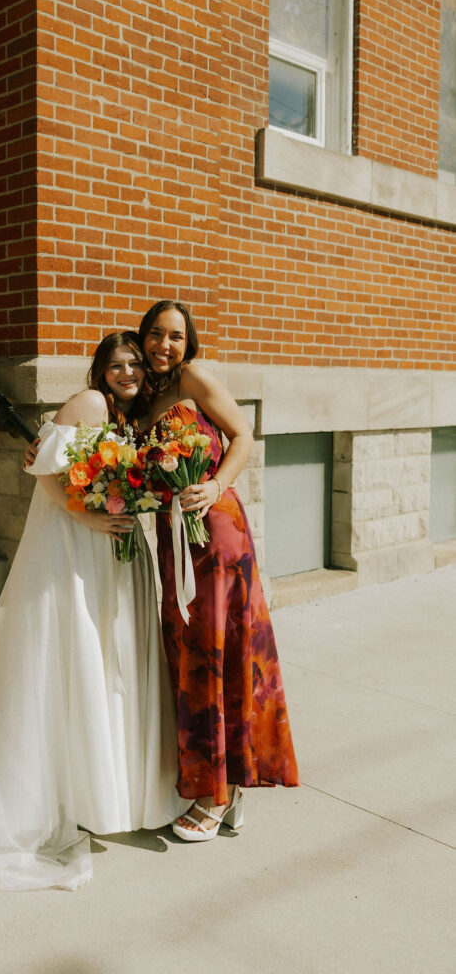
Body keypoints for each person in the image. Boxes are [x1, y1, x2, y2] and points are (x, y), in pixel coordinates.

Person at [0, 331, 183, 890]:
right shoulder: (91, 404)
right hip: (79, 542)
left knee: (110, 658)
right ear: (100, 371)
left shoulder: (136, 413)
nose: (127, 372)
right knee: (76, 649)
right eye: (116, 365)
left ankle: (106, 783)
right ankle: (57, 784)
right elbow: (45, 472)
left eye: (133, 365)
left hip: (115, 544)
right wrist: (90, 520)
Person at [135, 300, 299, 841]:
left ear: (189, 343)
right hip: (172, 539)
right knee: (189, 656)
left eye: (176, 336)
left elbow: (243, 436)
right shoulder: (141, 399)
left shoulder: (194, 378)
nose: (165, 345)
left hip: (217, 535)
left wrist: (217, 483)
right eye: (156, 335)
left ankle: (216, 796)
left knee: (218, 654)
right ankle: (226, 789)